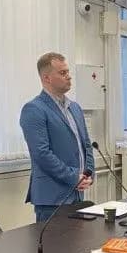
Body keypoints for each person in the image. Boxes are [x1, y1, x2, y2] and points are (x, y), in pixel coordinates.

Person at [20, 52, 94, 222]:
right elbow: (41, 154)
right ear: (46, 78)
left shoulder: (75, 108)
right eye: (62, 73)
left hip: (77, 194)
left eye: (68, 72)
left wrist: (88, 174)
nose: (69, 76)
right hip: (52, 198)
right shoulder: (34, 109)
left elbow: (87, 145)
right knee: (53, 241)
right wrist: (73, 177)